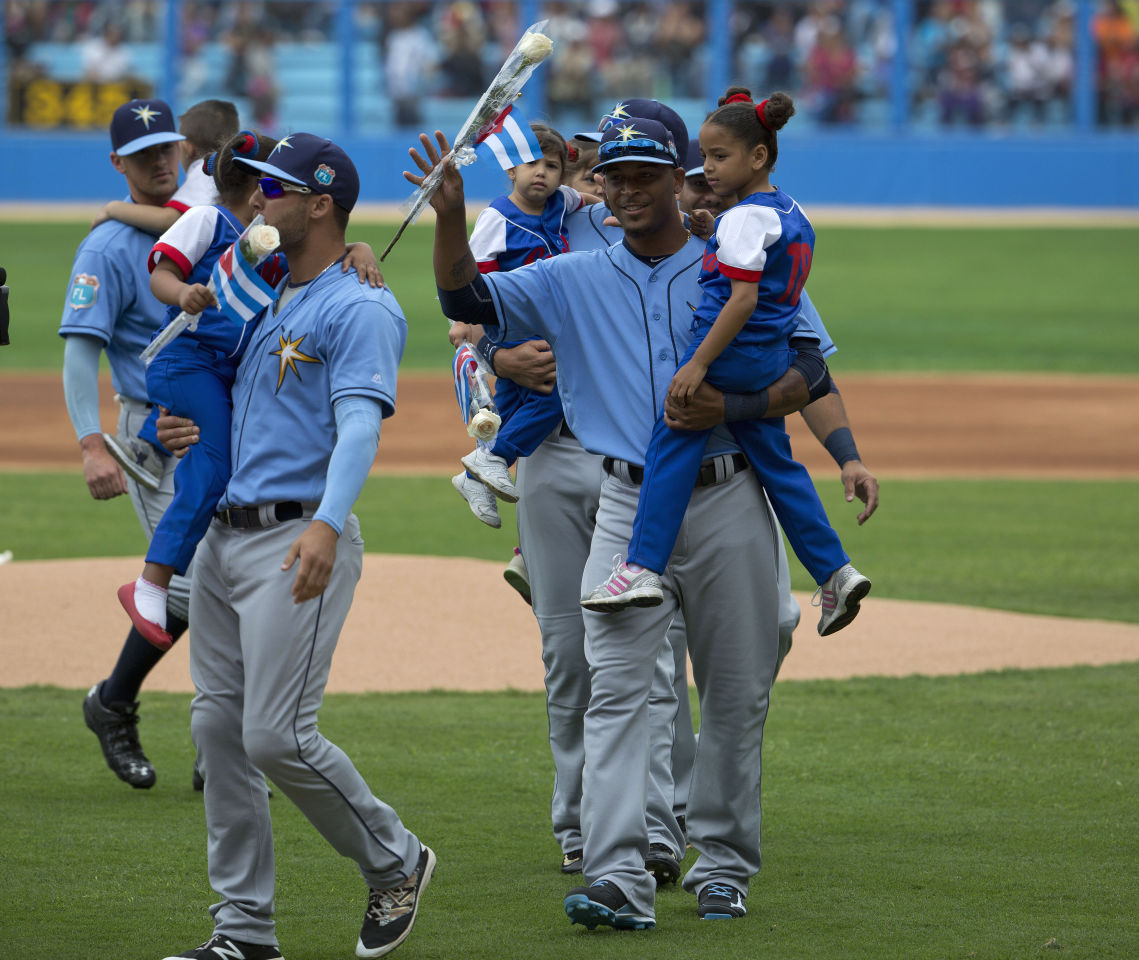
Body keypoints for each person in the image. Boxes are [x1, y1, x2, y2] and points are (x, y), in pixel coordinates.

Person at [408, 118, 834, 928]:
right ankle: (617, 876)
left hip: (729, 496)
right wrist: (450, 214)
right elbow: (465, 300)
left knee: (736, 693)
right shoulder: (568, 275)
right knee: (614, 693)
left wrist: (736, 404)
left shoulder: (736, 256)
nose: (630, 189)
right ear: (595, 182)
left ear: (679, 176)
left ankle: (722, 864)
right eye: (616, 174)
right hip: (624, 504)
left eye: (646, 172)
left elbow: (808, 364)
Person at [156, 133, 434, 960]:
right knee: (219, 734)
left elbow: (357, 426)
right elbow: (239, 402)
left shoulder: (361, 305)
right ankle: (242, 932)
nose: (255, 202)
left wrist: (325, 519)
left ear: (318, 203)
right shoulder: (269, 291)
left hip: (294, 536)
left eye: (273, 190)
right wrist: (186, 430)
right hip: (224, 538)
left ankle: (395, 859)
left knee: (277, 735)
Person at [582, 90, 871, 637]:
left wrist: (696, 367)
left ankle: (641, 567)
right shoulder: (788, 210)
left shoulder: (741, 217)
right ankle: (835, 571)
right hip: (770, 355)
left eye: (717, 157)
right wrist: (709, 234)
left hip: (728, 353)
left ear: (757, 157)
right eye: (704, 159)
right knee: (779, 467)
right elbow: (761, 262)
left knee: (672, 435)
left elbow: (739, 299)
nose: (707, 168)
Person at [61, 98, 192, 789]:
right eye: (144, 155)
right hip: (150, 435)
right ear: (118, 164)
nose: (160, 161)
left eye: (168, 147)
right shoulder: (107, 250)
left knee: (233, 577)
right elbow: (82, 354)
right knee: (199, 587)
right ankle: (114, 703)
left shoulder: (199, 224)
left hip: (219, 429)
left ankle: (215, 738)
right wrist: (90, 445)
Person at [114, 129, 278, 650]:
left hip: (220, 370)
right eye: (274, 185)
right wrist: (184, 291)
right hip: (185, 363)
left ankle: (151, 444)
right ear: (256, 188)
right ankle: (152, 581)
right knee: (213, 462)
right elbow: (162, 273)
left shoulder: (263, 232)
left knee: (226, 458)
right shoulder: (207, 219)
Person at [449, 123, 585, 529]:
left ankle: (474, 477)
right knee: (556, 390)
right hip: (512, 319)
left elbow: (588, 198)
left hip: (541, 320)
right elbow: (469, 275)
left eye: (552, 165)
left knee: (508, 401)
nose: (541, 172)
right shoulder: (498, 216)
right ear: (511, 169)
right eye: (530, 163)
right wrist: (463, 320)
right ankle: (495, 457)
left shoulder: (561, 204)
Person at [91, 99, 240, 250]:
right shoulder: (235, 167)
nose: (159, 161)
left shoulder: (203, 172)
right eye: (143, 152)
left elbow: (170, 220)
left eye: (166, 147)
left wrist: (112, 208)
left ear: (185, 148)